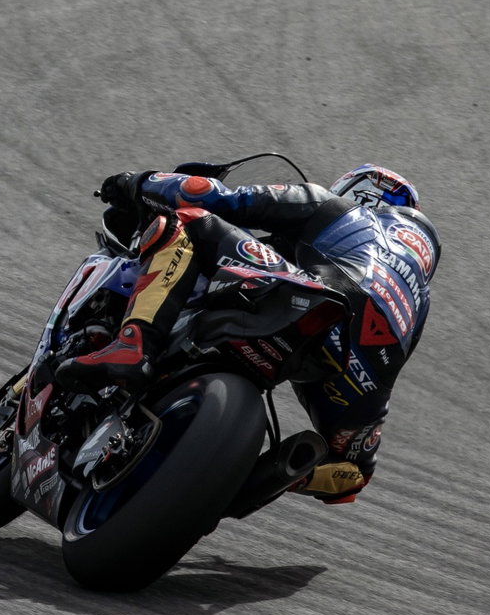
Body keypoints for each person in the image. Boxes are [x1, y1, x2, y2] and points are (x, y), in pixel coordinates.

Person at [53, 164, 441, 504]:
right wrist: (284, 475)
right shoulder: (419, 301)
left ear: (357, 193)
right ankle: (243, 483)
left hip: (315, 292)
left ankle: (135, 343)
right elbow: (350, 482)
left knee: (187, 221)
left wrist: (133, 183)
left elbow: (215, 196)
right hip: (363, 370)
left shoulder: (338, 210)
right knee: (349, 467)